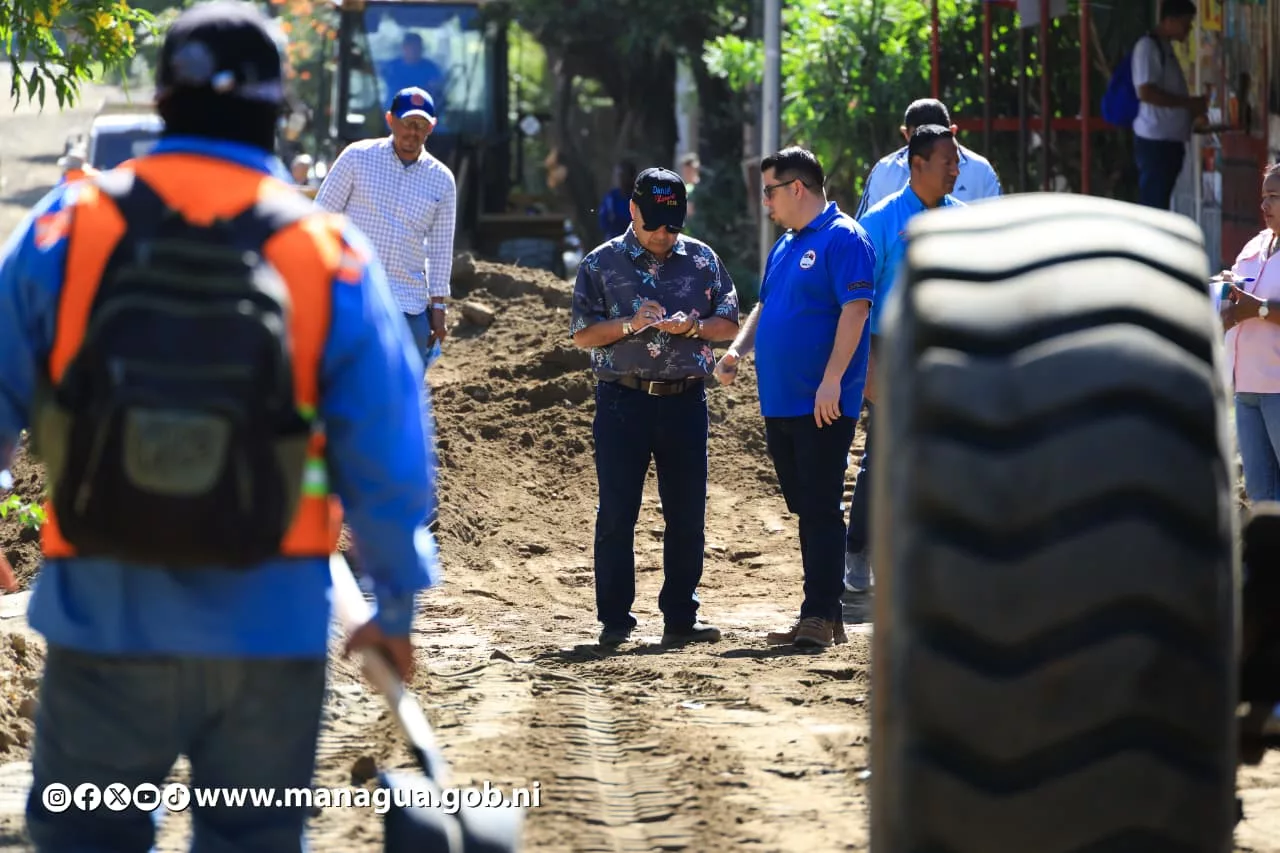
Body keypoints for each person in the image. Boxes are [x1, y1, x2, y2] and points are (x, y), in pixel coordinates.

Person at [0, 2, 440, 850]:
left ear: (162, 99)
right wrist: (394, 603)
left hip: (103, 619)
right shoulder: (328, 252)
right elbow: (390, 457)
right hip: (270, 629)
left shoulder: (66, 226)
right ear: (280, 110)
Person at [571, 167, 740, 648]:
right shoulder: (601, 263)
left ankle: (681, 616)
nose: (664, 235)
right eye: (654, 225)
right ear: (632, 210)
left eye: (673, 225)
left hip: (685, 401)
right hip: (622, 402)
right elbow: (583, 334)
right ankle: (615, 621)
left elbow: (729, 322)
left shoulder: (702, 260)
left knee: (687, 515)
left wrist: (695, 327)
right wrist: (629, 324)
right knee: (617, 513)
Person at [714, 147, 875, 649]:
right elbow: (765, 305)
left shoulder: (844, 237)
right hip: (781, 402)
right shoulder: (785, 245)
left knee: (822, 508)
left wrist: (832, 380)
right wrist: (737, 350)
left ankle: (818, 615)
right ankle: (826, 616)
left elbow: (856, 310)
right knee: (808, 509)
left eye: (770, 191)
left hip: (821, 402)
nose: (766, 202)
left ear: (797, 188)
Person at [842, 125, 964, 600]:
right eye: (947, 161)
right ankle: (858, 550)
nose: (956, 170)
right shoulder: (880, 221)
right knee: (884, 454)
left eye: (957, 161)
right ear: (918, 164)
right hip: (892, 350)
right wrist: (867, 366)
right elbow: (857, 300)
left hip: (950, 349)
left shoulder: (964, 221)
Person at [316, 86, 456, 375]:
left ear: (431, 128)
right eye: (407, 123)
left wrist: (438, 307)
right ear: (390, 120)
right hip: (354, 290)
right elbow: (321, 219)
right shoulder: (357, 158)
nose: (412, 132)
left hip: (409, 300)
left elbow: (441, 249)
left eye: (421, 126)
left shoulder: (442, 180)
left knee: (407, 380)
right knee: (344, 375)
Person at [1218, 163, 1280, 502]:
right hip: (1246, 388)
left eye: (1274, 196)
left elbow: (1258, 305)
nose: (1264, 204)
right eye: (1263, 196)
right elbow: (1237, 288)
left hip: (1277, 388)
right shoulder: (1256, 244)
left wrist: (1258, 309)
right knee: (1260, 494)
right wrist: (1226, 292)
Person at [856, 98, 999, 217]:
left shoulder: (981, 171)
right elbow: (862, 235)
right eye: (917, 138)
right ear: (905, 134)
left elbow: (998, 229)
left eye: (936, 139)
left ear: (952, 132)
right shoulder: (884, 172)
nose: (926, 147)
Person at [1131, 0, 1206, 210]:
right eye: (1185, 23)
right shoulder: (1148, 47)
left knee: (1160, 200)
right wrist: (1187, 104)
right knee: (1154, 204)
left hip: (1169, 140)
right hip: (1156, 142)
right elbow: (1146, 92)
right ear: (1169, 21)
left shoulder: (1166, 48)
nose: (1189, 29)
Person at [379, 32, 447, 111]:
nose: (415, 50)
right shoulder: (390, 66)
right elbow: (372, 72)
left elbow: (436, 90)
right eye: (412, 47)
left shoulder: (431, 69)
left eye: (418, 47)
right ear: (404, 47)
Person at [598, 160, 637, 241]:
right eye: (618, 175)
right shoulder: (610, 198)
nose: (620, 179)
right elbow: (603, 223)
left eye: (623, 175)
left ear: (632, 177)